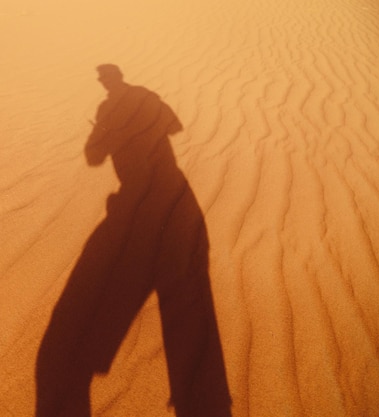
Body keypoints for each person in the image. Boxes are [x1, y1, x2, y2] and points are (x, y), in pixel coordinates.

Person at [35, 64, 231, 416]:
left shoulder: (107, 110)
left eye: (103, 78)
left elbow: (94, 157)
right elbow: (175, 126)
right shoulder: (147, 97)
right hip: (180, 206)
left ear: (109, 79)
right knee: (192, 322)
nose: (104, 83)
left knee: (66, 346)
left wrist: (110, 130)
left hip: (140, 214)